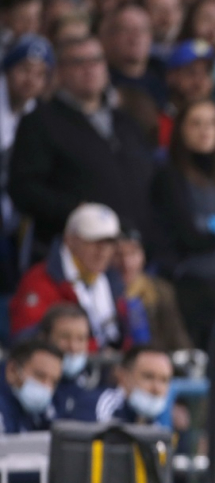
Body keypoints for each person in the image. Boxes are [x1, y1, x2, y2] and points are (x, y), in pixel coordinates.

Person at [8, 36, 155, 261]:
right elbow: (23, 189)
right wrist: (78, 211)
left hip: (134, 255)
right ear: (60, 72)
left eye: (96, 60)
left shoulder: (127, 122)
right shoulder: (40, 122)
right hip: (70, 256)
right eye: (78, 62)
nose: (89, 69)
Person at [149, 98, 215, 349]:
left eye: (211, 123)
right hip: (185, 288)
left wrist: (213, 229)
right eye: (196, 123)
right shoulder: (169, 175)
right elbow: (189, 236)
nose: (204, 130)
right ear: (181, 130)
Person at [9, 203, 133, 348]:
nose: (103, 252)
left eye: (110, 243)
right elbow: (26, 341)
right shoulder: (40, 280)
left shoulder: (115, 282)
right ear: (70, 239)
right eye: (94, 242)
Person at [0, 34, 52, 294]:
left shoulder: (41, 114)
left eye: (40, 74)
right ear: (8, 68)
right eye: (24, 69)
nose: (31, 79)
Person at [114, 231, 193, 352]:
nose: (126, 263)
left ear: (143, 256)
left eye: (133, 253)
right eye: (119, 254)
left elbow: (176, 336)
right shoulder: (103, 291)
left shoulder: (161, 291)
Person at [37, 303, 103, 421]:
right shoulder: (31, 385)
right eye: (65, 337)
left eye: (81, 339)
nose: (73, 347)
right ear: (45, 339)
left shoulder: (96, 381)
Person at [95, 345, 172, 424]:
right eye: (148, 377)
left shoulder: (157, 422)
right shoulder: (102, 406)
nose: (157, 389)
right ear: (124, 377)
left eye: (164, 380)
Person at [0, 339, 61, 433]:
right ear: (12, 370)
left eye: (53, 382)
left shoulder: (40, 413)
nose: (47, 387)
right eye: (40, 376)